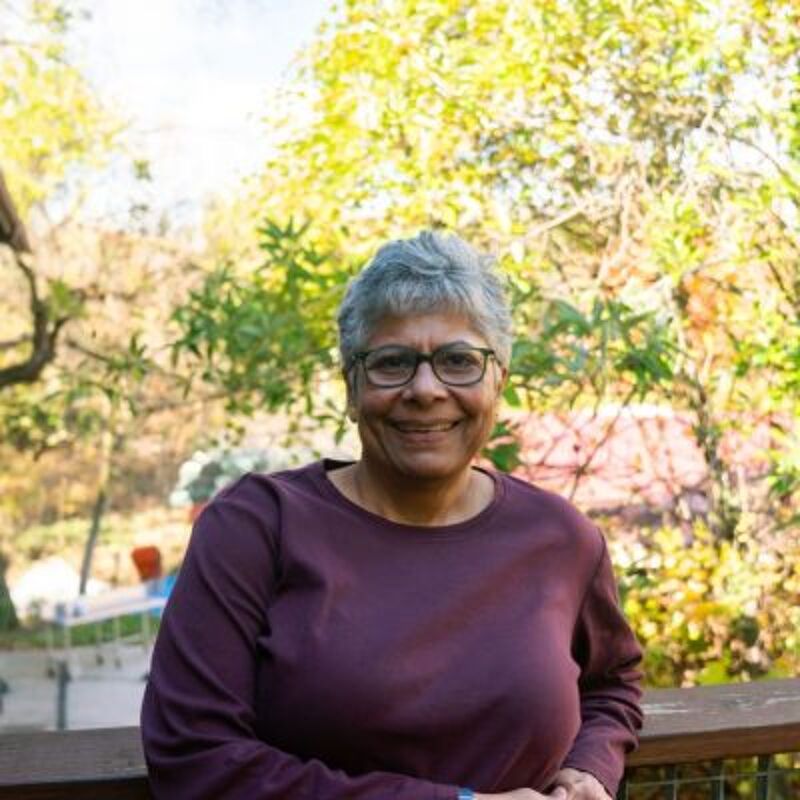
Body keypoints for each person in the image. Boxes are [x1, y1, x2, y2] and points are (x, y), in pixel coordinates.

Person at [141, 232, 643, 800]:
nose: (425, 389)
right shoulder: (256, 528)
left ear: (497, 381)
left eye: (458, 361)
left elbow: (613, 683)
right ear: (352, 389)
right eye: (391, 362)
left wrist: (591, 766)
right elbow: (195, 758)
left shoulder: (560, 539)